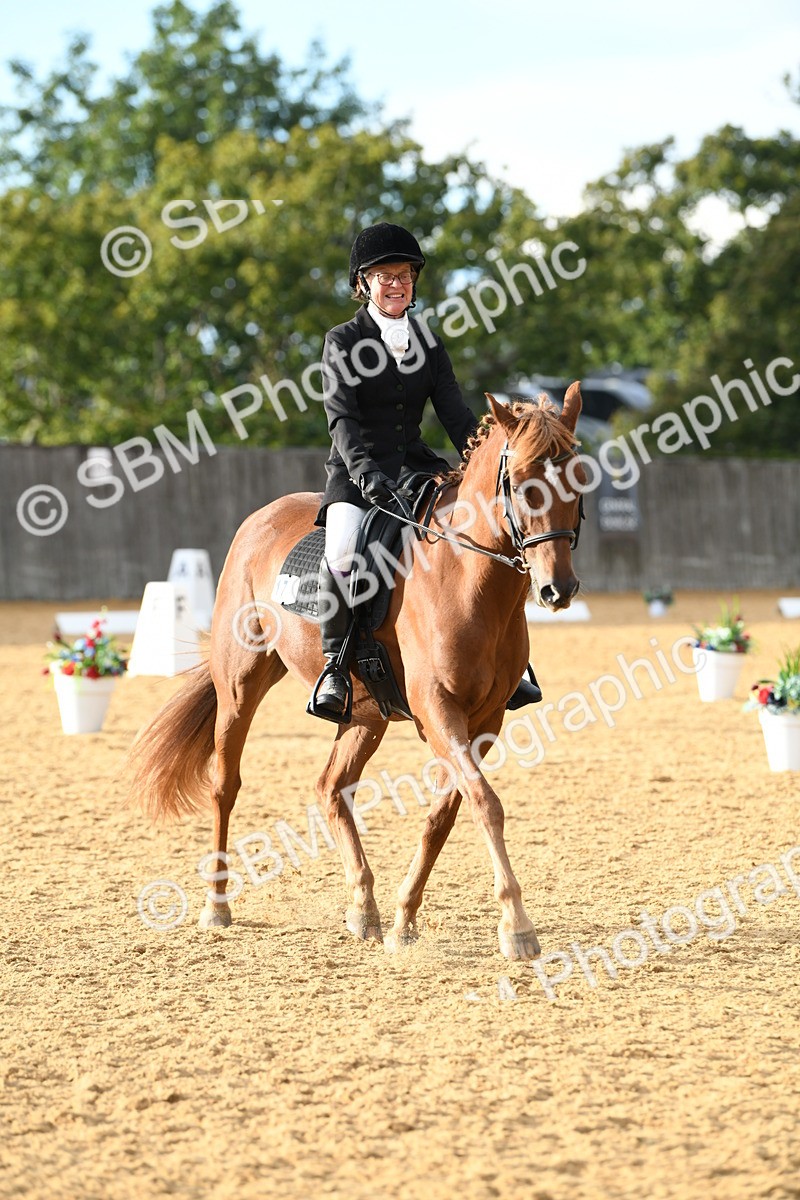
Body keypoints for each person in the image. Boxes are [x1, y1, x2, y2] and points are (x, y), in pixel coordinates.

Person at [309, 220, 542, 720]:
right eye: (385, 275)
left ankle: (512, 663)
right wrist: (366, 473)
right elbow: (341, 418)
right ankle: (334, 666)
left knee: (494, 532)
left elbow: (455, 414)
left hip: (417, 467)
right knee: (344, 554)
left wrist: (486, 461)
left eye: (404, 274)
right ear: (364, 283)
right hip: (357, 473)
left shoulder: (428, 342)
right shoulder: (342, 340)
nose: (396, 283)